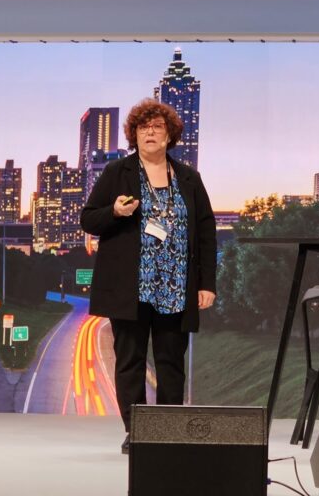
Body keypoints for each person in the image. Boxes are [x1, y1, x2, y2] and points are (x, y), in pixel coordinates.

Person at [80, 98, 217, 455]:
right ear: (134, 135)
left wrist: (206, 284)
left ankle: (169, 428)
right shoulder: (117, 173)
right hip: (131, 287)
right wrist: (114, 211)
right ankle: (137, 430)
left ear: (170, 134)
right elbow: (88, 219)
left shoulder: (189, 177)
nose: (150, 133)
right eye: (143, 128)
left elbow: (206, 231)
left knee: (171, 363)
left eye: (157, 127)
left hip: (176, 286)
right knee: (131, 362)